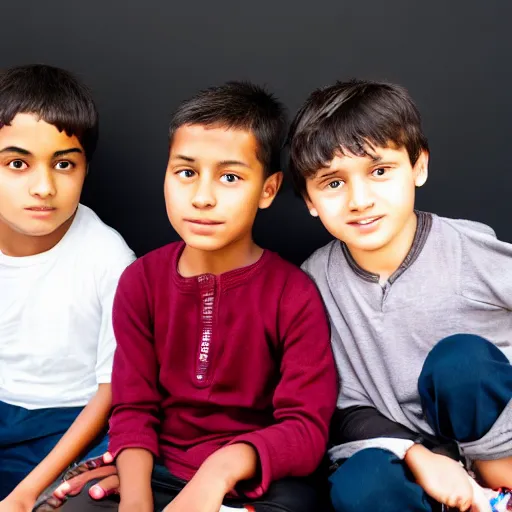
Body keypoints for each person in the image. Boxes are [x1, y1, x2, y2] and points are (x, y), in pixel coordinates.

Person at [53, 81, 337, 512]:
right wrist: (136, 498)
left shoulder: (294, 294)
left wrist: (219, 471)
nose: (202, 198)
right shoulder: (140, 282)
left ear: (268, 189)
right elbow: (134, 406)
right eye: (186, 172)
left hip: (255, 483)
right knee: (71, 505)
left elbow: (305, 429)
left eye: (229, 177)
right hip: (160, 470)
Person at [288, 79, 512, 512]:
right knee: (360, 485)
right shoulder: (314, 281)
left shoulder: (465, 250)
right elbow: (337, 405)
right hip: (402, 454)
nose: (359, 200)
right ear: (310, 200)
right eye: (333, 183)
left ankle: (498, 487)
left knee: (461, 361)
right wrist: (418, 455)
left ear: (418, 167)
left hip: (495, 440)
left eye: (379, 171)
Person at [0, 64, 135, 511]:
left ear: (84, 168)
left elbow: (111, 389)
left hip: (71, 426)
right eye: (17, 164)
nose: (43, 187)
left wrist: (25, 493)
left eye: (64, 164)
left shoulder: (107, 257)